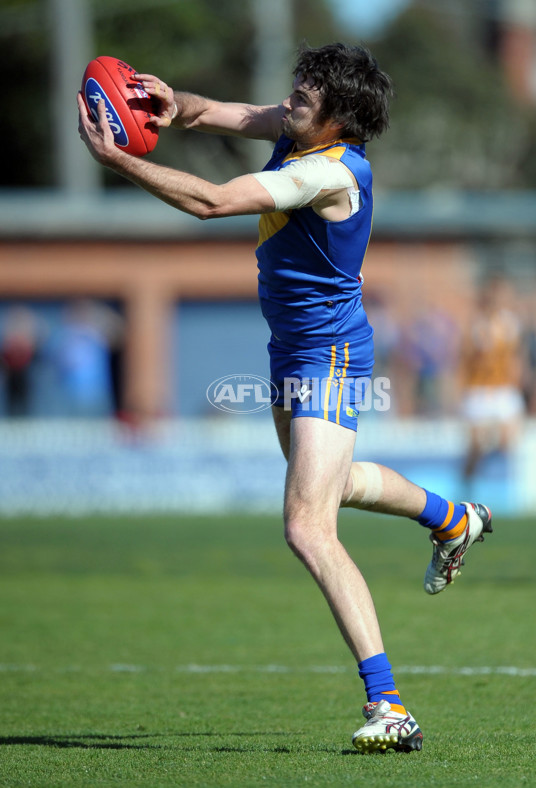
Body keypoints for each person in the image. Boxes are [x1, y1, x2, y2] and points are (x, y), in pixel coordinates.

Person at [78, 42, 492, 754]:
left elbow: (211, 202)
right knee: (331, 490)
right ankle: (453, 518)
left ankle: (389, 704)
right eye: (302, 79)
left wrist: (119, 163)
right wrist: (182, 108)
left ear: (341, 118)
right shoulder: (301, 132)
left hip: (329, 356)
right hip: (291, 350)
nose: (296, 91)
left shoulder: (327, 173)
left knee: (307, 526)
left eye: (312, 89)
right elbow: (235, 112)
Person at [460, 276, 525, 484]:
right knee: (476, 447)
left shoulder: (510, 323)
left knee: (508, 442)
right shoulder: (477, 324)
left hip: (503, 388)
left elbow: (515, 354)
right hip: (479, 389)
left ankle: (493, 478)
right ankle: (467, 484)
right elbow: (466, 357)